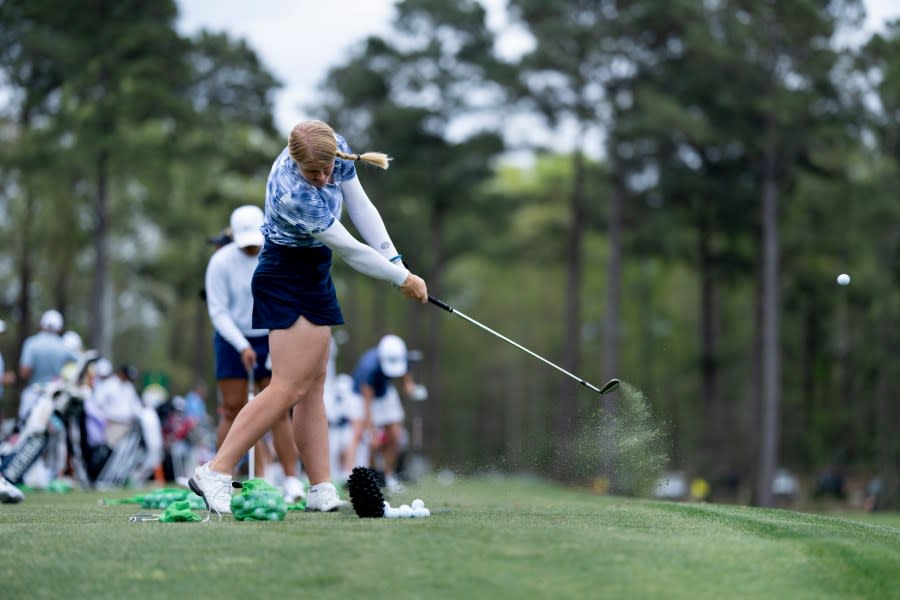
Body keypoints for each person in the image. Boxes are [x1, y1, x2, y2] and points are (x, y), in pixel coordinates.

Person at [190, 119, 428, 515]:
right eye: (311, 172)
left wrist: (394, 258)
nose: (320, 178)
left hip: (314, 270)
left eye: (326, 170)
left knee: (313, 386)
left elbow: (361, 205)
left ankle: (319, 487)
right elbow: (350, 250)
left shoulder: (334, 148)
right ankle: (215, 471)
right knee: (286, 387)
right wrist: (400, 277)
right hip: (285, 274)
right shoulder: (295, 193)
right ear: (297, 163)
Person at [204, 204, 305, 504]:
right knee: (233, 407)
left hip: (271, 334)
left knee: (277, 408)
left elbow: (287, 300)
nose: (250, 248)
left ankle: (291, 480)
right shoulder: (220, 262)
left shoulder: (274, 254)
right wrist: (242, 346)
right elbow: (218, 312)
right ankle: (223, 479)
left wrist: (278, 340)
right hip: (231, 338)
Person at [345, 334, 423, 493]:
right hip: (360, 396)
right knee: (361, 435)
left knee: (396, 435)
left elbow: (405, 378)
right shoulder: (369, 366)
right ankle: (356, 475)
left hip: (385, 393)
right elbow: (367, 404)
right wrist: (372, 430)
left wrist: (411, 389)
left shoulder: (402, 357)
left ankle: (388, 477)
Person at [17, 310, 76, 421]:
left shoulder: (31, 343)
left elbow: (25, 373)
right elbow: (80, 362)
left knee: (23, 425)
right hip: (55, 396)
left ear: (42, 324)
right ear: (59, 327)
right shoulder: (63, 346)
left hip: (33, 393)